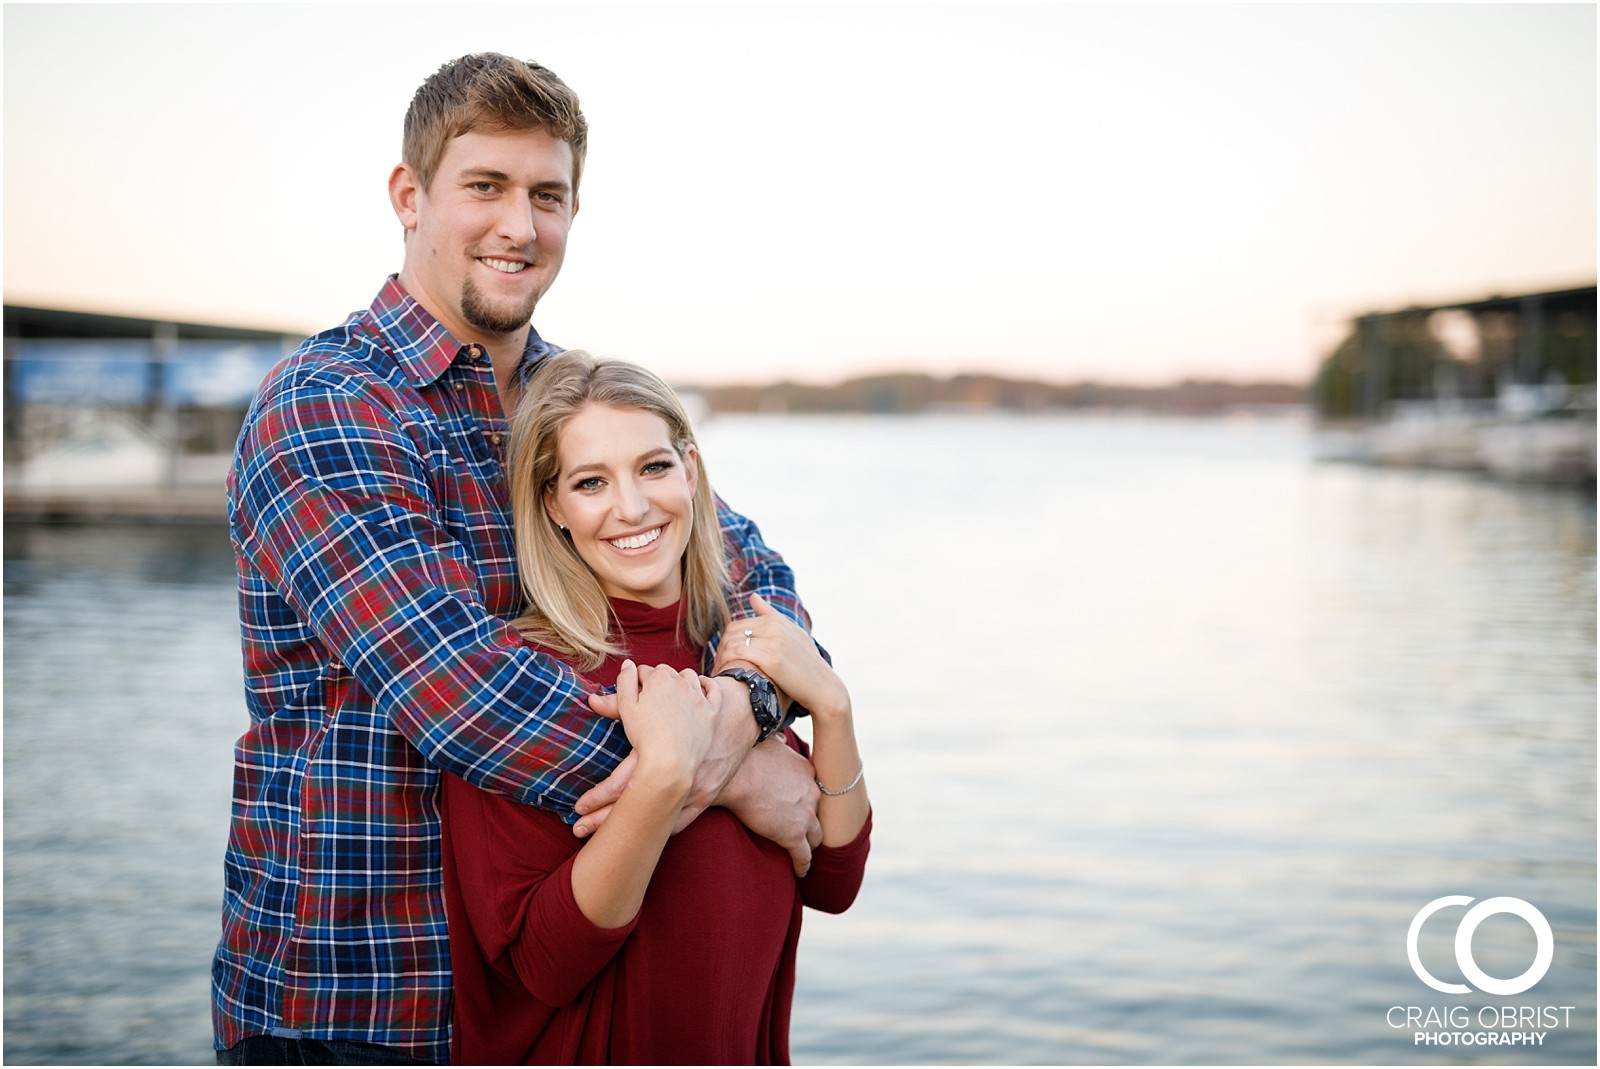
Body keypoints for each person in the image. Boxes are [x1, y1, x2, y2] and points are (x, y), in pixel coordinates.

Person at [214, 53, 822, 1066]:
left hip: (562, 998)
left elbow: (751, 571)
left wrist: (749, 706)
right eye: (484, 187)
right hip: (370, 993)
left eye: (548, 195)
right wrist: (729, 776)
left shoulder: (574, 403)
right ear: (410, 196)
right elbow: (461, 691)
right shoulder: (325, 406)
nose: (519, 226)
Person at [441, 350, 871, 1065]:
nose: (633, 508)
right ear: (554, 506)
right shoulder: (525, 679)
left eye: (653, 467)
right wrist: (667, 776)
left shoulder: (742, 658)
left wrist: (830, 703)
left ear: (691, 471)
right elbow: (544, 965)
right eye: (590, 482)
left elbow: (834, 879)